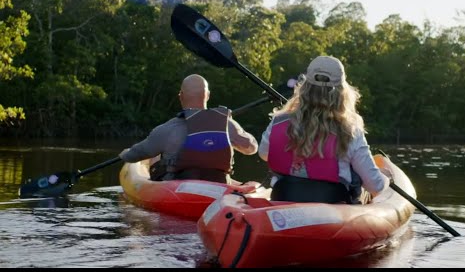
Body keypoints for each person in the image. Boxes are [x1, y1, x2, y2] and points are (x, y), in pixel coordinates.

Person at [258, 55, 391, 204]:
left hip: (283, 200)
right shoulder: (350, 131)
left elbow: (264, 153)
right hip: (333, 211)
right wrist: (386, 178)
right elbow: (376, 186)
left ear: (304, 87)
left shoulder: (278, 121)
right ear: (342, 92)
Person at [119, 74, 258, 183]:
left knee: (154, 155)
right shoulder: (227, 125)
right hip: (218, 185)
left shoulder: (167, 129)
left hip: (178, 189)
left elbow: (134, 155)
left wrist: (124, 153)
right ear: (207, 96)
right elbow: (252, 148)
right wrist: (232, 126)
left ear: (181, 96)